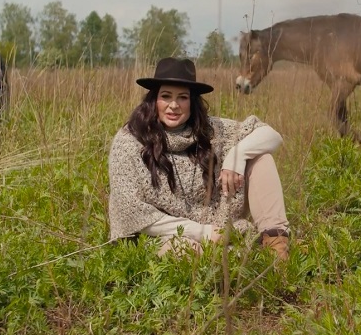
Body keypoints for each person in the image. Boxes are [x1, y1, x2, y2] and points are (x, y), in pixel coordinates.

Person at [108, 57, 290, 260]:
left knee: (261, 157)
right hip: (160, 235)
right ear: (154, 100)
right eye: (166, 96)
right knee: (185, 252)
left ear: (192, 102)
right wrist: (202, 233)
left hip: (217, 227)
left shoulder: (212, 130)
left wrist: (236, 158)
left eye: (183, 97)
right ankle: (246, 257)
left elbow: (272, 135)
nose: (174, 105)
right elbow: (130, 209)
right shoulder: (130, 140)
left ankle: (276, 248)